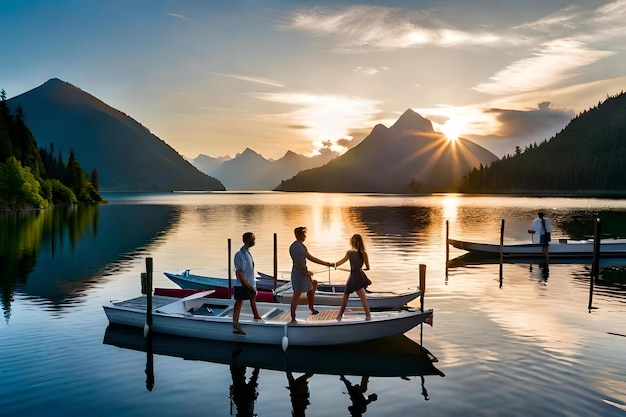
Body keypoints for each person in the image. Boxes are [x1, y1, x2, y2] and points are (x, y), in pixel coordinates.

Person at [289, 226, 333, 323]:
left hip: (299, 272)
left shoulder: (296, 246)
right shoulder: (298, 247)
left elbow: (310, 258)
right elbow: (299, 262)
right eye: (303, 234)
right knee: (296, 295)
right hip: (299, 273)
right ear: (299, 235)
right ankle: (293, 317)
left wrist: (326, 263)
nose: (305, 236)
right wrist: (306, 272)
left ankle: (311, 307)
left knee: (313, 284)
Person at [334, 234, 372, 321]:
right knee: (362, 296)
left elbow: (340, 262)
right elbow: (368, 268)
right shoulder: (364, 254)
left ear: (352, 242)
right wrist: (360, 268)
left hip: (353, 276)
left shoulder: (349, 253)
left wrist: (333, 265)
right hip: (359, 275)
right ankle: (368, 316)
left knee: (346, 295)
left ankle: (339, 316)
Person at [233, 232, 263, 335]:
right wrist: (247, 285)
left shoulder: (247, 252)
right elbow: (239, 272)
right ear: (248, 240)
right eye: (253, 238)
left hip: (249, 283)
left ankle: (256, 316)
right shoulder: (240, 254)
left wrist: (251, 286)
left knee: (252, 298)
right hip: (242, 284)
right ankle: (235, 325)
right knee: (239, 302)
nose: (254, 240)